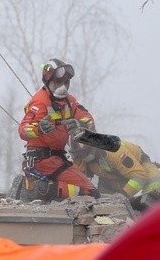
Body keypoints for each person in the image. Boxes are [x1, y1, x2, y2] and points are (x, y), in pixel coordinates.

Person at [18, 58, 100, 201]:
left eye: (66, 82)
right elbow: (23, 130)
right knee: (89, 190)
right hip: (42, 160)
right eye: (58, 82)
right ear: (48, 81)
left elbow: (88, 119)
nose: (63, 86)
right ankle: (41, 190)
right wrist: (39, 128)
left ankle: (44, 188)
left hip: (58, 158)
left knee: (88, 189)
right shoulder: (40, 101)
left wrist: (80, 124)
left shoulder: (69, 101)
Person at [70, 138, 160, 208]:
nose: (81, 157)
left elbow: (140, 177)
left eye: (82, 154)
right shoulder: (85, 161)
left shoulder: (114, 151)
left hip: (142, 168)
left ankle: (156, 221)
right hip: (116, 178)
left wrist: (123, 195)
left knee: (155, 184)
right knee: (104, 204)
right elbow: (77, 176)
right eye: (78, 155)